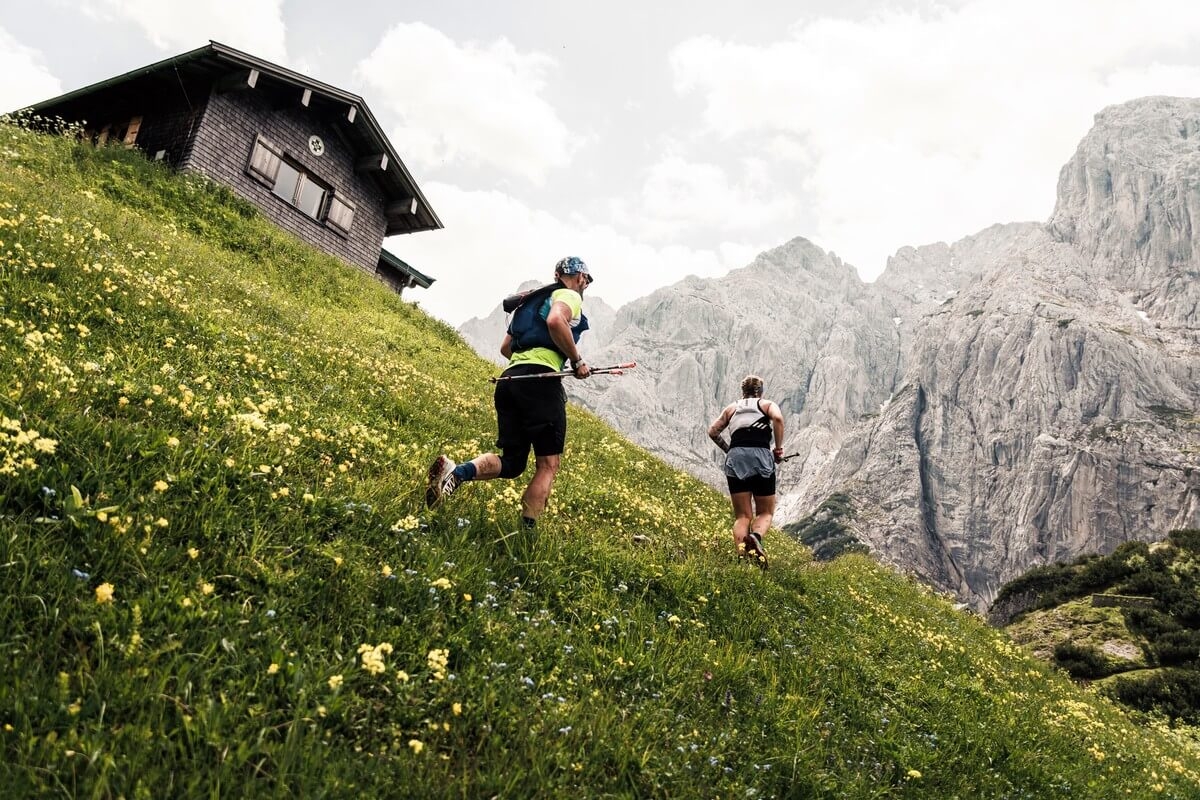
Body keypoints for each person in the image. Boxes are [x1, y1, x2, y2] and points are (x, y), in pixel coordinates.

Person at [425, 257, 593, 530]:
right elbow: (555, 321)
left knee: (514, 463)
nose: (586, 284)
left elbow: (506, 347)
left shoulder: (528, 303)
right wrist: (576, 361)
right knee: (548, 465)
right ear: (581, 277)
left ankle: (456, 473)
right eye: (587, 279)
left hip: (509, 380)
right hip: (540, 383)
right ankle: (524, 538)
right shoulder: (568, 295)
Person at [707, 375, 785, 569]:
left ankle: (743, 559)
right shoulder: (766, 405)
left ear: (742, 391)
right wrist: (778, 449)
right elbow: (778, 419)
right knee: (766, 512)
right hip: (760, 456)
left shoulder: (731, 408)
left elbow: (713, 431)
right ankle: (755, 537)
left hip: (736, 458)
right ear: (761, 390)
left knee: (742, 516)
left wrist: (729, 449)